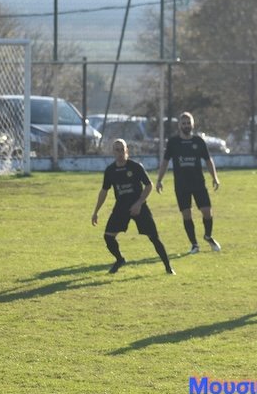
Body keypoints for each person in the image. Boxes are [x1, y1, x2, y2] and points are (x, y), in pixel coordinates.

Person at [91, 139, 174, 275]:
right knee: (108, 236)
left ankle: (168, 267)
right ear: (113, 152)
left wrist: (139, 203)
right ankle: (120, 259)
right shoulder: (110, 170)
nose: (120, 153)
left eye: (122, 149)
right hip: (121, 207)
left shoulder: (135, 167)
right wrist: (96, 212)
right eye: (116, 150)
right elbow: (104, 191)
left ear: (127, 151)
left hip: (139, 206)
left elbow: (149, 185)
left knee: (154, 237)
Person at [155, 111, 222, 253]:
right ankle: (194, 244)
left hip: (198, 183)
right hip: (181, 185)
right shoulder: (173, 143)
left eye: (188, 123)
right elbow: (165, 162)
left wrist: (215, 177)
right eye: (183, 123)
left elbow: (208, 160)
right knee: (186, 214)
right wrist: (159, 180)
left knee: (207, 212)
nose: (186, 125)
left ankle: (208, 236)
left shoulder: (198, 141)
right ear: (179, 125)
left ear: (192, 124)